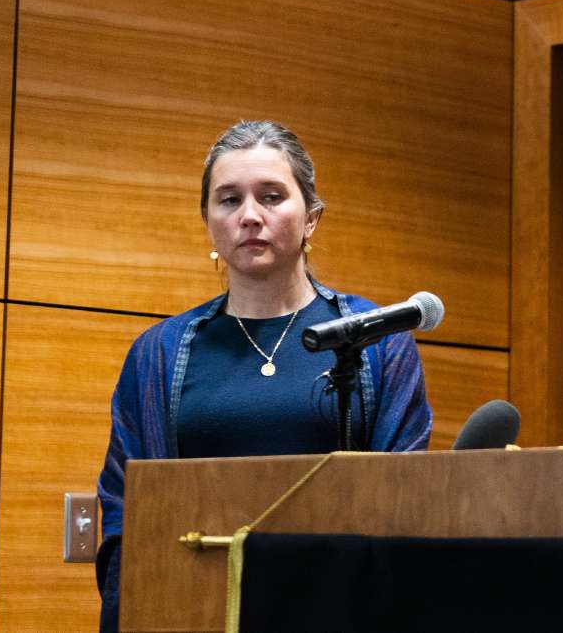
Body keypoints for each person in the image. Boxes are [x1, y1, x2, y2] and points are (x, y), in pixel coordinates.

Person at [95, 120, 431, 629]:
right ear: (207, 219)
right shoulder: (157, 354)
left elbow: (407, 500)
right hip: (195, 611)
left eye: (271, 196)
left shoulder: (377, 341)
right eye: (229, 200)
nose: (250, 215)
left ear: (312, 218)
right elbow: (126, 510)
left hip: (341, 613)